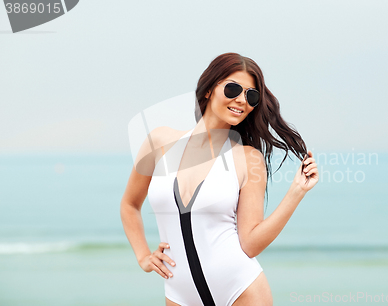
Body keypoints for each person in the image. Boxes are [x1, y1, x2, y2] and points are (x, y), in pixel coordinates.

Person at [120, 52, 319, 306]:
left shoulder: (249, 159)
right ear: (208, 90)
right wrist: (143, 256)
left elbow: (249, 243)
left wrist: (296, 192)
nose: (242, 100)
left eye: (251, 95)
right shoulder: (159, 142)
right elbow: (129, 204)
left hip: (241, 291)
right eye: (233, 88)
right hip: (179, 296)